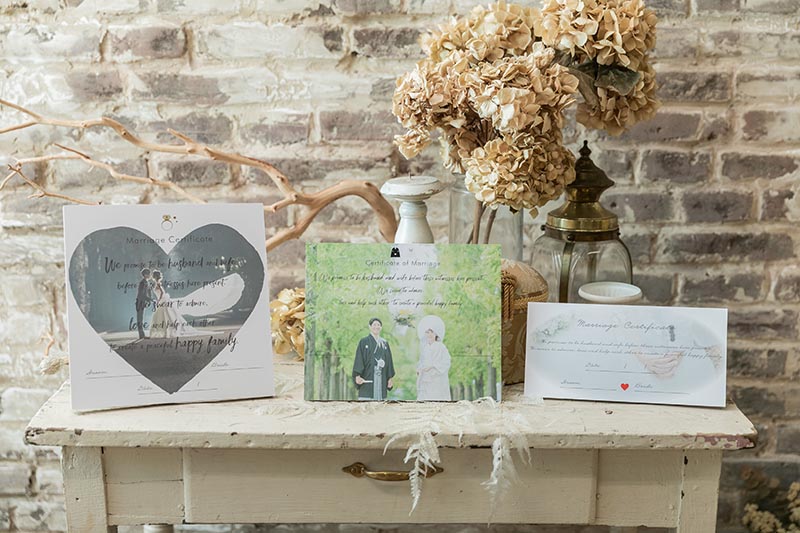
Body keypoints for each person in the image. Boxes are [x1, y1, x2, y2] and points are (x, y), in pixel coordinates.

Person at [352, 318, 395, 400]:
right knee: (366, 404)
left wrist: (389, 378)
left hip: (381, 376)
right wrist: (357, 375)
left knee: (381, 404)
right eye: (374, 325)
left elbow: (389, 362)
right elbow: (359, 359)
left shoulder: (384, 343)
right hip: (367, 377)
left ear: (381, 327)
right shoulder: (363, 342)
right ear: (370, 327)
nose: (376, 327)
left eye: (378, 325)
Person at [416, 315, 451, 401]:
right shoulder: (425, 348)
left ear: (436, 334)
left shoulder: (441, 347)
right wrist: (419, 369)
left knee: (436, 399)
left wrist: (432, 366)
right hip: (425, 379)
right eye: (427, 332)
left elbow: (446, 362)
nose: (429, 334)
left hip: (437, 379)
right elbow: (422, 362)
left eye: (432, 332)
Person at [135, 268, 155, 339]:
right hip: (140, 302)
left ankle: (142, 334)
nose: (150, 275)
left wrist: (149, 299)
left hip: (142, 302)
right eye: (148, 274)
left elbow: (148, 291)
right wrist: (149, 299)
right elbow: (142, 294)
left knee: (141, 318)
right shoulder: (142, 283)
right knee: (140, 318)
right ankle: (141, 335)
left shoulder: (147, 282)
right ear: (145, 274)